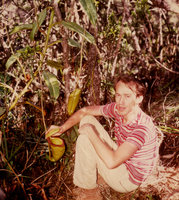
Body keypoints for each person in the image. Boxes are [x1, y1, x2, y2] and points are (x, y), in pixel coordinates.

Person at [46, 75, 159, 200]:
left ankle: (90, 193)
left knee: (85, 139)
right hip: (123, 160)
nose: (121, 101)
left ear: (139, 98)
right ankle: (99, 176)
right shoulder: (119, 109)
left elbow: (112, 162)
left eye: (127, 96)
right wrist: (62, 128)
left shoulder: (141, 128)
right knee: (87, 119)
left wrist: (91, 132)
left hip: (129, 179)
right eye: (118, 95)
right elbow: (85, 111)